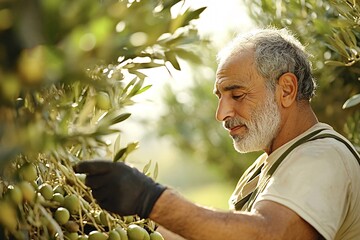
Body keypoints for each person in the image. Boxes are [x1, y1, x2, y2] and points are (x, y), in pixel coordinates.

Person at [74, 27, 360, 240]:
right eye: (220, 97)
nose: (221, 113)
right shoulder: (265, 168)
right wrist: (137, 225)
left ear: (286, 90)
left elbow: (270, 234)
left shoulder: (322, 157)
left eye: (237, 94)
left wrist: (151, 199)